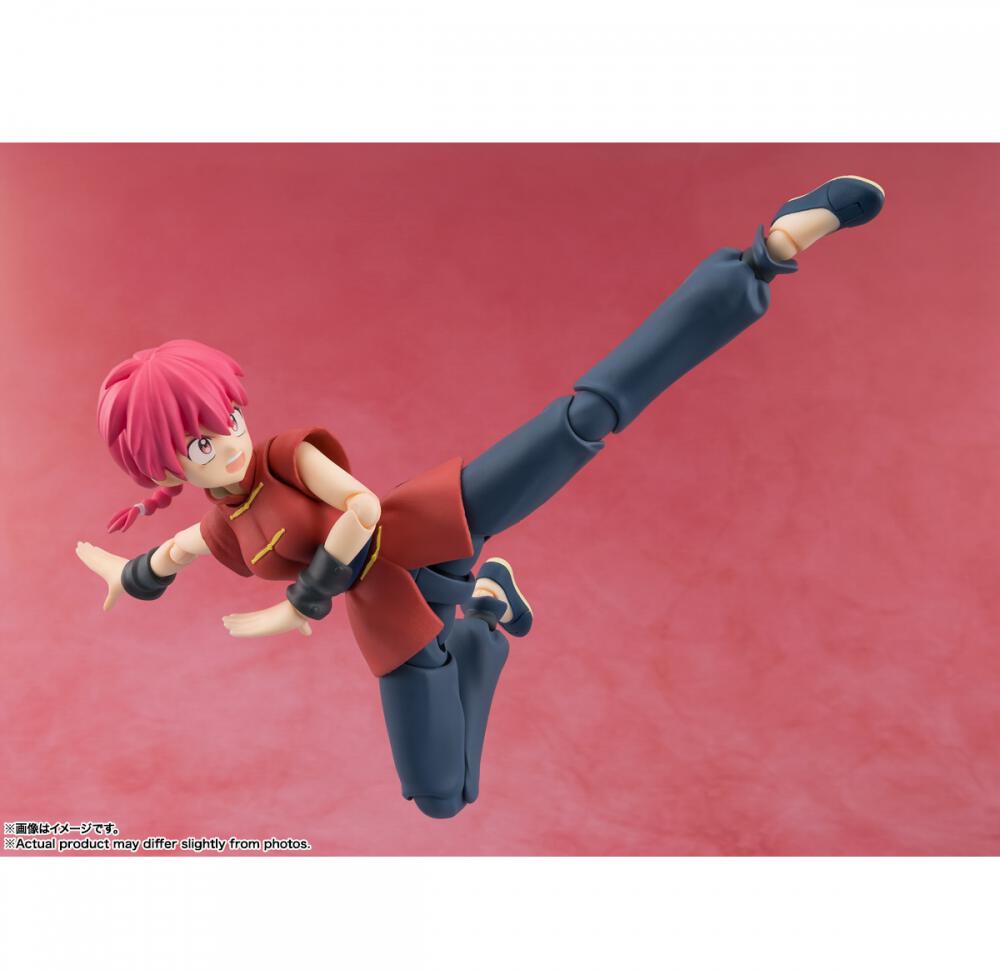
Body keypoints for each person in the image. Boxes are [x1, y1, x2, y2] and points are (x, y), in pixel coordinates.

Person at [77, 175, 885, 819]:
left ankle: (764, 256)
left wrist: (303, 602)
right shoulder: (224, 530)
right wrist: (130, 574)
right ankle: (486, 616)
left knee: (581, 421)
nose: (229, 440)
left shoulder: (287, 457)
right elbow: (174, 552)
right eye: (200, 444)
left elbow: (361, 509)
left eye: (227, 418)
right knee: (442, 799)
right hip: (395, 616)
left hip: (422, 530)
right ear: (167, 472)